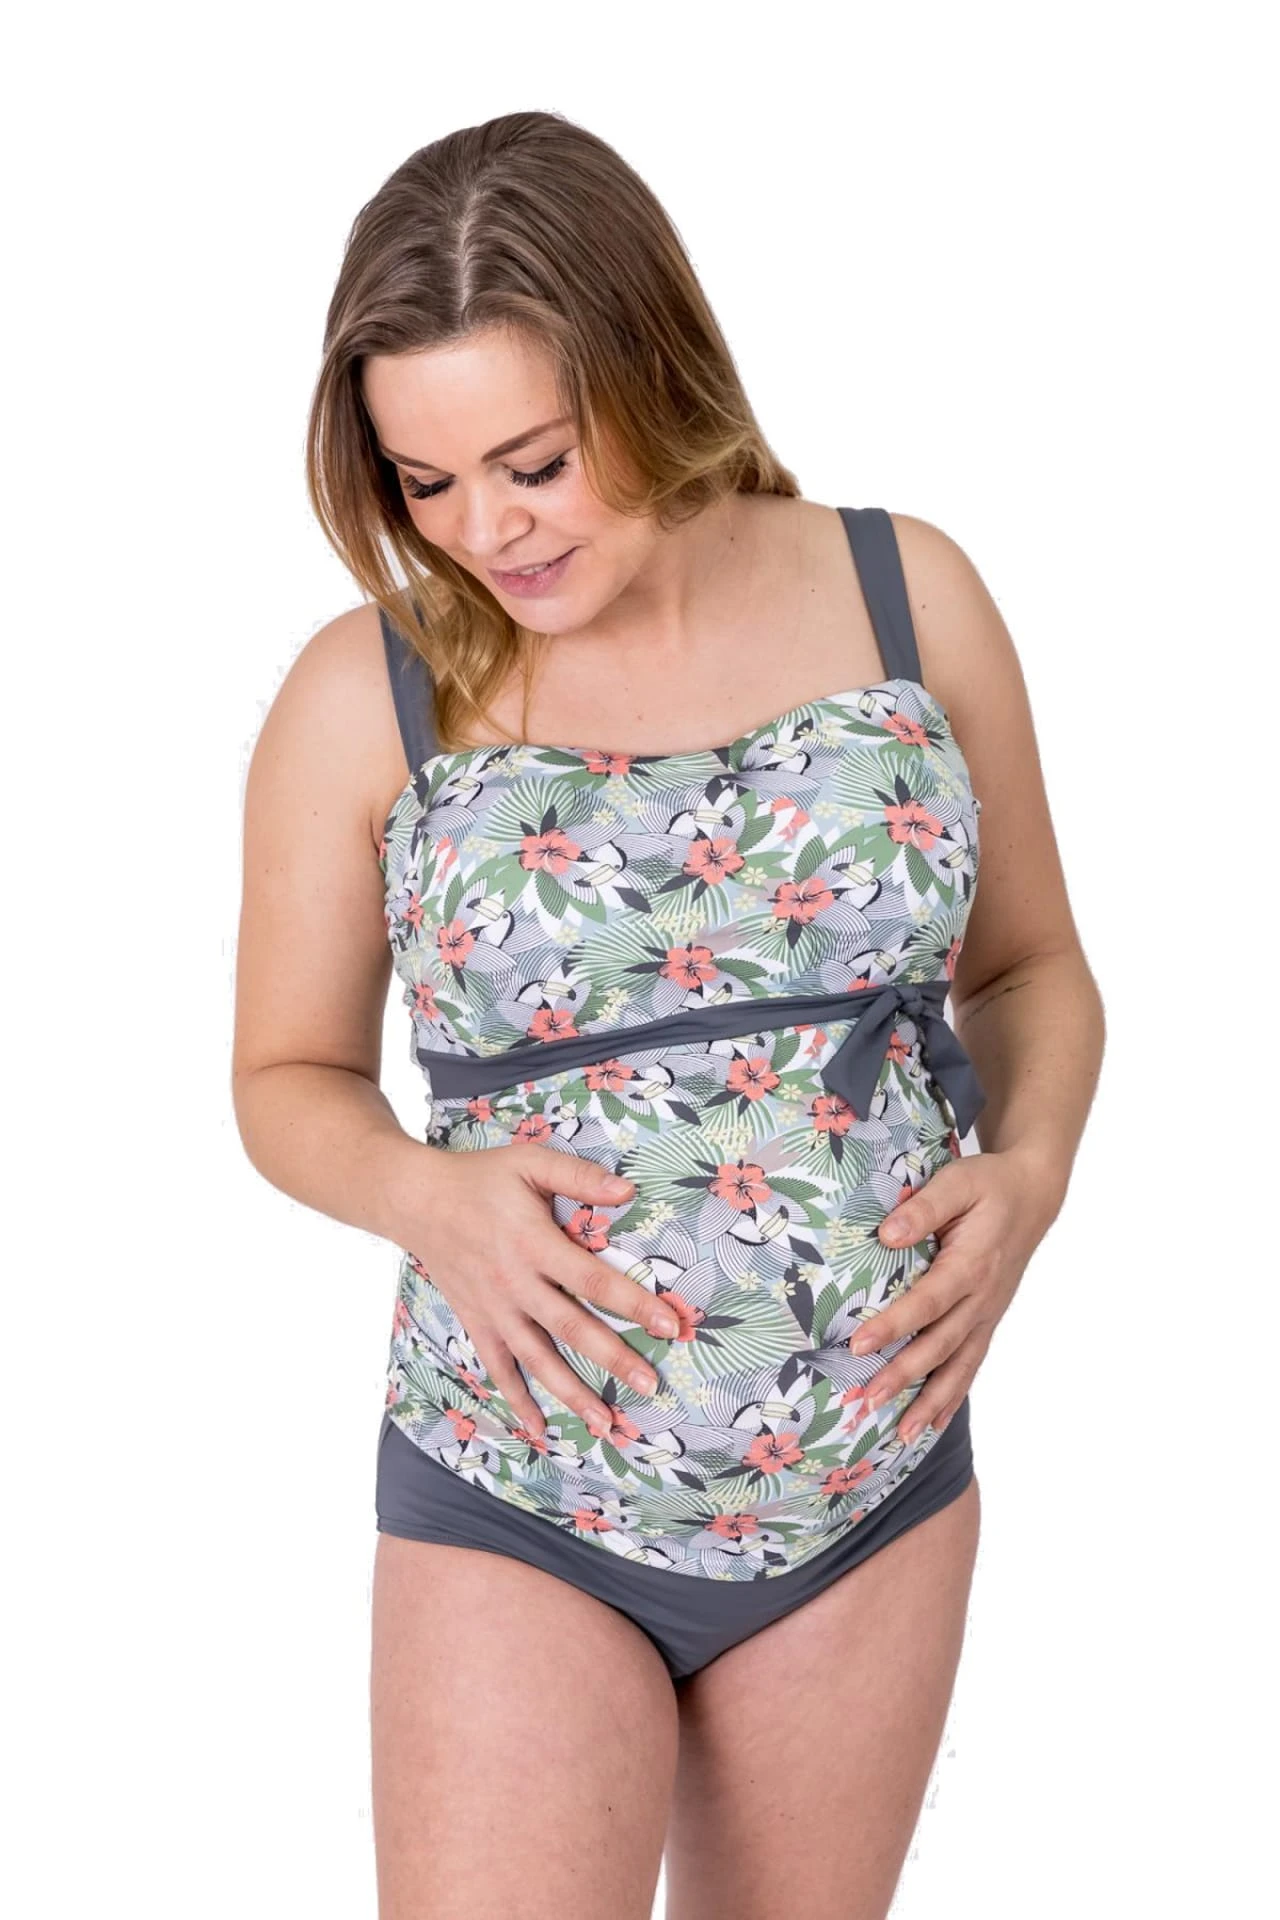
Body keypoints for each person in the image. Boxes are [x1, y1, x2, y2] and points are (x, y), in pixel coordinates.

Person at [232, 110, 1105, 1920]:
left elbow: (1031, 967)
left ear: (650, 366)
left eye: (533, 462)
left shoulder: (907, 596)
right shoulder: (365, 693)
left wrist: (1028, 1179)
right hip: (522, 1483)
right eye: (424, 481)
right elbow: (283, 1076)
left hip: (872, 1477)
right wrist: (426, 1197)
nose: (486, 530)